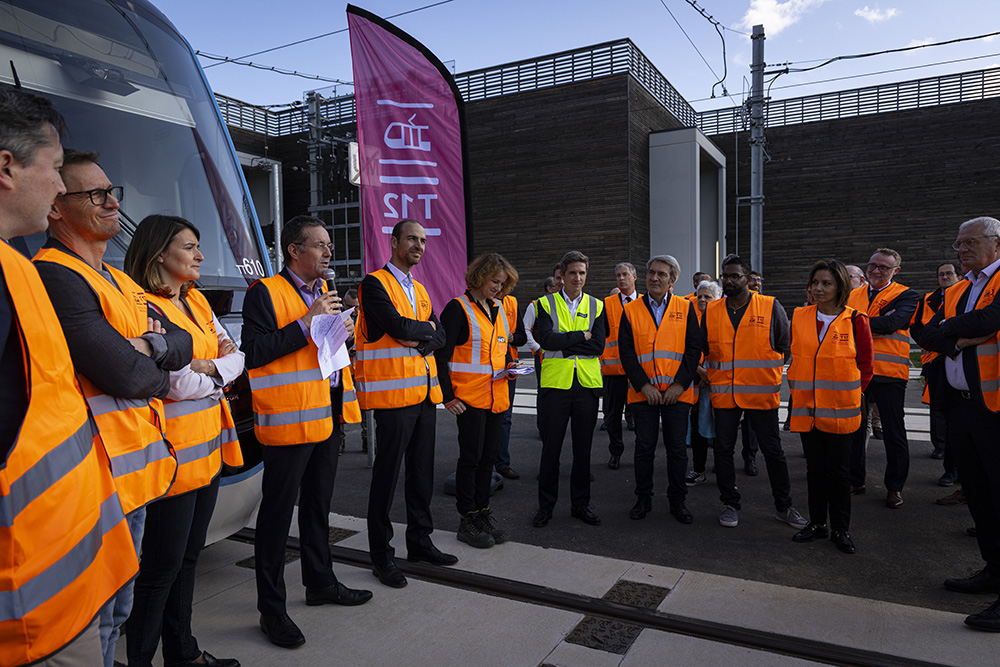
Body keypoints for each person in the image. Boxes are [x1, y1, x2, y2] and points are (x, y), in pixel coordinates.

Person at [0, 85, 137, 667]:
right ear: (5, 166)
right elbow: (132, 370)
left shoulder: (14, 266)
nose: (59, 186)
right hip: (30, 605)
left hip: (61, 572)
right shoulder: (36, 270)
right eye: (55, 169)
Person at [36, 150, 190, 667]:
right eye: (95, 194)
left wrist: (145, 348)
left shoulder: (117, 280)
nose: (111, 203)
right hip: (94, 478)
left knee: (118, 609)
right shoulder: (54, 275)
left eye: (112, 191)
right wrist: (151, 351)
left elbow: (183, 342)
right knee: (100, 615)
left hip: (132, 472)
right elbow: (127, 374)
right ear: (57, 208)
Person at [242, 215, 371, 648]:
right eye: (319, 246)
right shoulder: (265, 292)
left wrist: (343, 335)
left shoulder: (325, 293)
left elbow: (324, 356)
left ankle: (320, 583)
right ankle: (272, 611)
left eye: (329, 247)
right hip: (289, 420)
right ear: (294, 250)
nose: (328, 253)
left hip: (327, 415)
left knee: (318, 507)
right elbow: (255, 353)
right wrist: (306, 323)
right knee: (277, 518)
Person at [122, 215, 244, 667]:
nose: (201, 256)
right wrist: (216, 371)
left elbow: (237, 357)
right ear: (158, 254)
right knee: (158, 573)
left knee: (188, 560)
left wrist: (209, 368)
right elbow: (172, 382)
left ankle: (183, 654)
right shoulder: (142, 307)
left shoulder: (197, 303)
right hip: (169, 460)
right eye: (190, 247)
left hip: (205, 456)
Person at [912, 216, 1000, 632]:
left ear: (996, 244)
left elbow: (989, 321)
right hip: (965, 408)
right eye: (958, 243)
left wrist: (952, 331)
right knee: (980, 496)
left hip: (997, 409)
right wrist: (957, 335)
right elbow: (924, 334)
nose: (960, 249)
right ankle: (993, 570)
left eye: (969, 242)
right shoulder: (960, 287)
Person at [356, 219, 452, 589]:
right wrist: (424, 332)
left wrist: (424, 336)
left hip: (424, 395)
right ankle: (381, 556)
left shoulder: (421, 290)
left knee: (421, 473)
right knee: (386, 478)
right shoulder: (373, 283)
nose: (419, 245)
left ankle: (420, 542)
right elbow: (397, 327)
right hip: (393, 398)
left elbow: (438, 333)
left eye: (424, 240)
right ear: (394, 242)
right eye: (412, 238)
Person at [702, 254, 807, 530]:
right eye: (725, 276)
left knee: (773, 451)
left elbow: (786, 346)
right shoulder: (712, 310)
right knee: (723, 450)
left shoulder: (770, 306)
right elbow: (701, 347)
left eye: (735, 276)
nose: (728, 280)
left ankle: (784, 507)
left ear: (748, 279)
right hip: (724, 394)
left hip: (761, 394)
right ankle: (729, 503)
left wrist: (765, 372)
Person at [788, 259, 873, 555]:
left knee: (838, 472)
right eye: (815, 283)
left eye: (826, 283)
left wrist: (850, 395)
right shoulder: (799, 316)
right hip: (807, 409)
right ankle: (816, 524)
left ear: (840, 286)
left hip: (842, 410)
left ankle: (840, 528)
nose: (819, 289)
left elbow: (866, 366)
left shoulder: (856, 319)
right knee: (814, 469)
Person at [436, 253, 520, 547]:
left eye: (502, 283)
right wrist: (447, 397)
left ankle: (483, 513)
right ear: (479, 277)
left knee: (488, 462)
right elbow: (441, 356)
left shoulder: (497, 308)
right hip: (469, 399)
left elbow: (497, 354)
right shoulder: (458, 309)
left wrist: (510, 370)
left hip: (496, 398)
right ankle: (467, 519)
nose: (498, 287)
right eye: (494, 281)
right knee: (470, 460)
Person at [618, 255, 701, 523]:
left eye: (662, 274)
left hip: (678, 394)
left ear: (672, 280)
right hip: (644, 394)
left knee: (677, 450)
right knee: (644, 449)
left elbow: (693, 350)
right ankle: (643, 499)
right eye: (651, 273)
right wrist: (644, 386)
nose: (655, 278)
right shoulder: (630, 310)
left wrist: (679, 385)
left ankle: (678, 501)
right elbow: (627, 354)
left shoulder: (685, 308)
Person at [532, 250, 607, 527]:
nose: (578, 277)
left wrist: (565, 343)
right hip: (556, 386)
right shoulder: (544, 304)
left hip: (586, 387)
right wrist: (579, 337)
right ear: (561, 275)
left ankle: (581, 505)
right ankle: (546, 507)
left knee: (583, 450)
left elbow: (597, 346)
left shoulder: (597, 306)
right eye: (573, 272)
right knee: (551, 450)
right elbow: (548, 340)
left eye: (582, 273)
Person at [846, 248, 919, 508]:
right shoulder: (853, 294)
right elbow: (842, 322)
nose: (876, 271)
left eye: (884, 268)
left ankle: (895, 487)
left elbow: (894, 323)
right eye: (872, 265)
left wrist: (857, 322)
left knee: (893, 431)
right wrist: (876, 322)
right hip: (857, 371)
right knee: (854, 430)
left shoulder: (907, 295)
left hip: (890, 374)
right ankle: (856, 480)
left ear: (896, 271)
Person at [601, 261, 640, 470]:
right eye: (618, 276)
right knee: (613, 415)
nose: (621, 279)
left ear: (634, 277)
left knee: (642, 413)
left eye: (625, 275)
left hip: (640, 369)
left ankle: (642, 453)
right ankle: (615, 452)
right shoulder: (607, 304)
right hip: (614, 370)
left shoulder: (645, 302)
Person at [686, 279, 721, 485]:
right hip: (697, 384)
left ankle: (722, 467)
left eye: (707, 296)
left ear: (717, 299)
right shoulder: (691, 319)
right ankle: (698, 470)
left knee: (722, 430)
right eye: (699, 296)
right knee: (698, 427)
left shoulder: (723, 319)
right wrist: (700, 371)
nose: (702, 300)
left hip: (719, 385)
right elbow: (684, 349)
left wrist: (713, 375)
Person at [525, 275, 557, 438]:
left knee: (557, 392)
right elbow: (526, 329)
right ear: (549, 289)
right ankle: (543, 428)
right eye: (556, 284)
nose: (560, 286)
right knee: (544, 391)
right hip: (543, 356)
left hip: (559, 356)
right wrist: (537, 349)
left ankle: (554, 426)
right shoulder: (535, 305)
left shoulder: (560, 304)